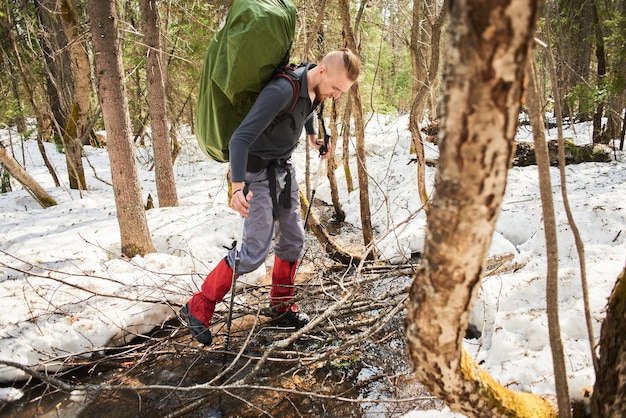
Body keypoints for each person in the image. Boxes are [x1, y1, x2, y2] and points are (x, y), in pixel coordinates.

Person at [180, 48, 361, 345]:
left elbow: (308, 111)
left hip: (283, 171)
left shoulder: (316, 87)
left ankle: (280, 304)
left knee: (292, 240)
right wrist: (237, 187)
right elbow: (240, 137)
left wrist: (315, 138)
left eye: (343, 91)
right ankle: (199, 305)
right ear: (323, 71)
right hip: (256, 176)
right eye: (337, 88)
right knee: (252, 254)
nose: (337, 95)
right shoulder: (281, 90)